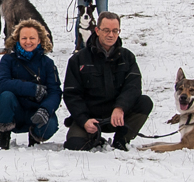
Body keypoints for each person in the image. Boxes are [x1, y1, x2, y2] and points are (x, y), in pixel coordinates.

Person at [61, 12, 152, 151]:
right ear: (97, 31)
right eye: (106, 30)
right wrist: (84, 120)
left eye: (115, 31)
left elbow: (133, 87)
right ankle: (95, 139)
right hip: (90, 118)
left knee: (144, 102)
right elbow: (71, 94)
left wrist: (120, 107)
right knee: (75, 145)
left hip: (117, 117)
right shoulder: (78, 59)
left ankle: (121, 140)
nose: (111, 35)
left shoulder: (127, 57)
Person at [0, 20, 61, 149]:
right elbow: (1, 83)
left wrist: (45, 109)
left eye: (32, 38)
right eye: (24, 38)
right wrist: (32, 89)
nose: (28, 42)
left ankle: (34, 136)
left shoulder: (48, 63)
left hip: (37, 110)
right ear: (17, 39)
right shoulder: (8, 59)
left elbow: (55, 92)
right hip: (15, 109)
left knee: (51, 124)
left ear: (39, 40)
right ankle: (4, 136)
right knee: (5, 97)